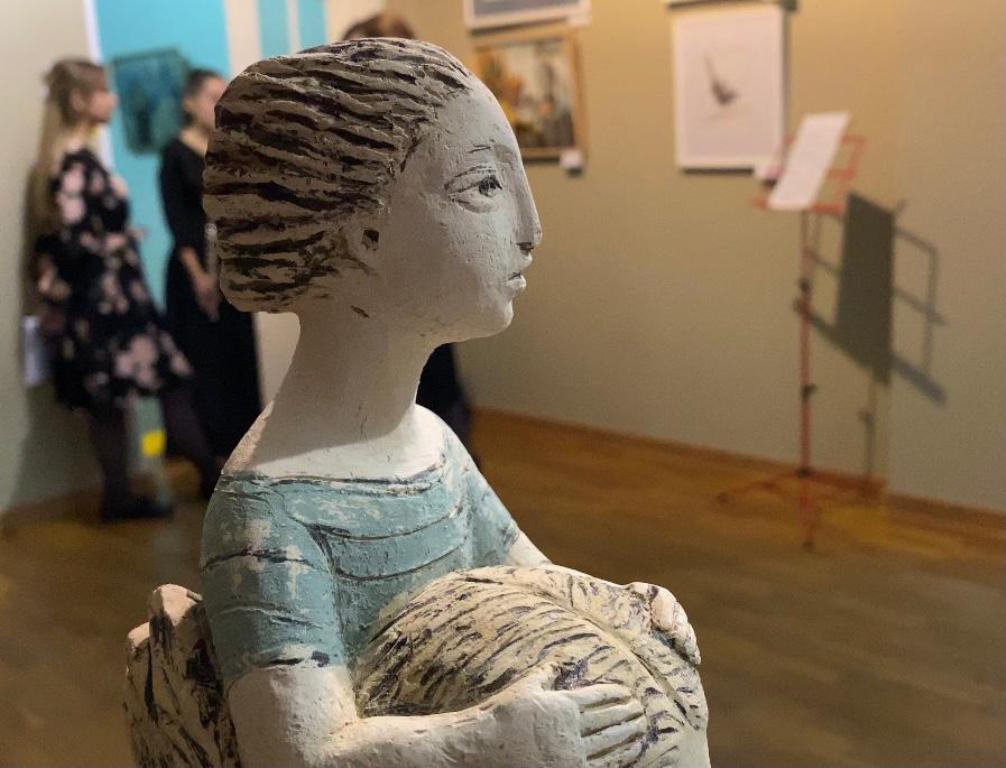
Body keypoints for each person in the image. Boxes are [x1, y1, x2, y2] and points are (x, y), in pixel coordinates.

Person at [197, 40, 708, 768]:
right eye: (485, 186)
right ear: (364, 233)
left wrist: (622, 603)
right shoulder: (269, 515)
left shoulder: (432, 441)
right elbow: (299, 754)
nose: (532, 229)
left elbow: (525, 571)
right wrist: (479, 740)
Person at [30, 59, 219, 520]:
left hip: (109, 302)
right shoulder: (75, 163)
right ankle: (206, 478)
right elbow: (73, 240)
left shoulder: (70, 160)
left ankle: (126, 493)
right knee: (159, 387)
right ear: (80, 101)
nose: (112, 99)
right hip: (108, 305)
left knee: (115, 401)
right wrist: (123, 239)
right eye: (103, 91)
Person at [343, 13, 477, 456]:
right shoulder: (353, 131)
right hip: (369, 287)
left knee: (432, 391)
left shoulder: (434, 125)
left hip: (420, 279)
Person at [159, 69, 261, 462]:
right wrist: (200, 276)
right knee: (208, 361)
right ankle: (214, 456)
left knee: (241, 357)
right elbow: (178, 222)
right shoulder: (174, 153)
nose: (221, 106)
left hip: (232, 267)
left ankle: (247, 450)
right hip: (194, 271)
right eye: (212, 97)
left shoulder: (229, 147)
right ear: (190, 103)